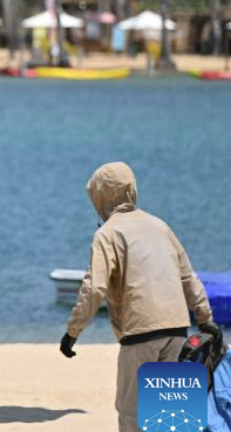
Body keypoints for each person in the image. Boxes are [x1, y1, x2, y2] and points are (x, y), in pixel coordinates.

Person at [59, 161, 218, 432]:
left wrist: (72, 332)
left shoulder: (106, 234)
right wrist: (205, 319)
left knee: (132, 417)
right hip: (178, 331)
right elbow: (187, 276)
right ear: (131, 190)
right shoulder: (160, 226)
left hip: (140, 335)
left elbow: (94, 288)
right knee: (173, 418)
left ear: (100, 196)